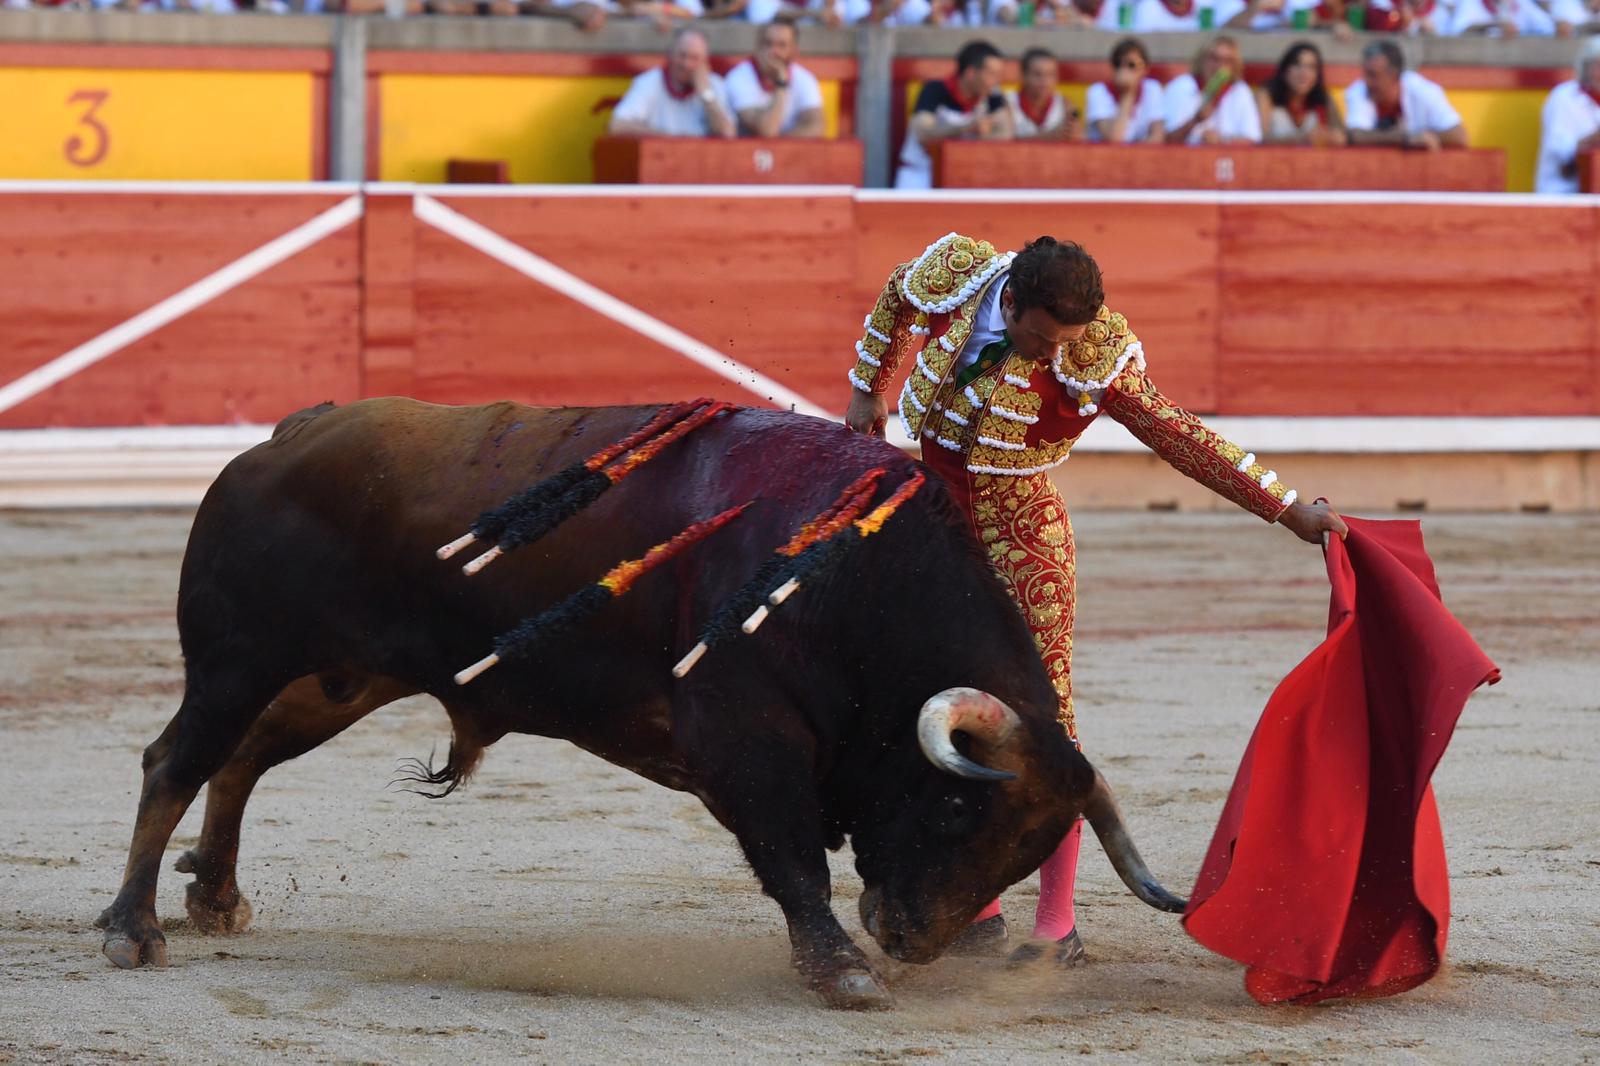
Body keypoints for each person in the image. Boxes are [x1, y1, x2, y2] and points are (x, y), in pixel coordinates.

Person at [842, 234, 1347, 963]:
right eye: (1043, 339)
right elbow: (895, 295)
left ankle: (1057, 926)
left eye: (1066, 342)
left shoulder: (1093, 352)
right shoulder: (958, 274)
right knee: (937, 702)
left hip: (1024, 538)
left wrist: (1286, 507)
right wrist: (869, 387)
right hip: (933, 528)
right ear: (1008, 302)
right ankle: (979, 911)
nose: (1055, 356)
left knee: (1047, 725)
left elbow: (1180, 436)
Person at [894, 40, 1011, 190]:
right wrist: (965, 129)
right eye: (992, 74)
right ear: (971, 72)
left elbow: (1005, 135)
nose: (996, 81)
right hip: (921, 172)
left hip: (964, 174)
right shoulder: (934, 89)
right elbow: (922, 132)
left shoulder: (993, 94)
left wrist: (979, 139)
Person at [609, 27, 736, 140]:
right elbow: (617, 125)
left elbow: (727, 134)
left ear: (705, 62)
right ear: (670, 54)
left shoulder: (715, 84)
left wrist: (706, 94)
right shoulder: (649, 81)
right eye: (682, 55)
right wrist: (672, 141)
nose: (686, 64)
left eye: (694, 58)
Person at [1344, 40, 1467, 150]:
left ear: (1394, 75)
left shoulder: (1422, 90)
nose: (1367, 81)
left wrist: (1426, 138)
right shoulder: (1358, 90)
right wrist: (1406, 139)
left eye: (1373, 75)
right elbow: (1355, 135)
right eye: (1365, 74)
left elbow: (1459, 136)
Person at [724, 19, 826, 138]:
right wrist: (781, 82)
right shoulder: (739, 77)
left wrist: (781, 147)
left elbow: (816, 126)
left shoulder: (805, 79)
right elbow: (767, 130)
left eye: (782, 45)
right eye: (768, 44)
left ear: (794, 50)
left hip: (788, 154)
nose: (774, 52)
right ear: (758, 47)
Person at [1163, 35, 1262, 146]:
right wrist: (1195, 121)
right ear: (1201, 60)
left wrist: (1221, 141)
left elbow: (1252, 139)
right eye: (1214, 59)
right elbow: (1167, 140)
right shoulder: (1181, 86)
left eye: (1228, 61)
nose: (1219, 66)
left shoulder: (1240, 90)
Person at [1536, 38, 1600, 193]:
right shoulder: (1564, 97)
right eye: (1598, 65)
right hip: (1563, 193)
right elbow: (1559, 151)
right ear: (1585, 68)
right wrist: (1595, 138)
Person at [1257, 41, 1348, 146]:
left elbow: (1342, 137)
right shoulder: (1267, 95)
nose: (1304, 73)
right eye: (1297, 65)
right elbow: (1259, 138)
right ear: (1285, 70)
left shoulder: (1324, 98)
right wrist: (1303, 139)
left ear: (1317, 75)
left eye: (1311, 67)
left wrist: (1331, 136)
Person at [1085, 38, 1166, 144]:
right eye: (1118, 64)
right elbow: (1114, 139)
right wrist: (1127, 94)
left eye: (1131, 65)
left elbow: (1158, 137)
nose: (1124, 70)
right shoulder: (1098, 91)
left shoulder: (1152, 88)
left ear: (1145, 69)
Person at [1005, 48, 1084, 140]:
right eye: (1037, 74)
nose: (1045, 82)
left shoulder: (1065, 104)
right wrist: (1049, 136)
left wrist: (1075, 135)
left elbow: (1081, 142)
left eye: (1050, 74)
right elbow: (1004, 143)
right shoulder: (1007, 102)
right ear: (1023, 76)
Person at [1446, 0, 1557, 34]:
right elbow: (1459, 31)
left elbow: (1548, 27)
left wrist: (1560, 26)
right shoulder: (1471, 2)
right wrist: (1495, 24)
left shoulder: (1522, 3)